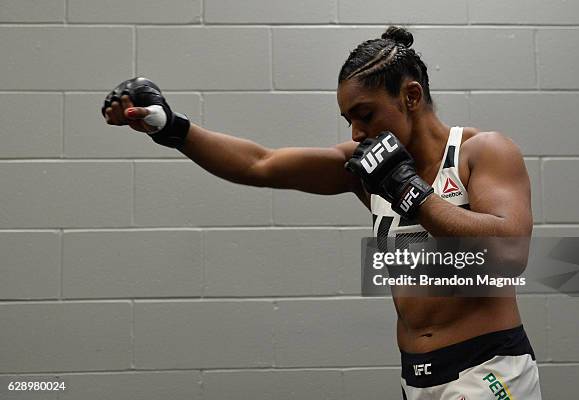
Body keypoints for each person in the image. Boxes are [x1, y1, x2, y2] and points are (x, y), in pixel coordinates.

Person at [103, 26, 541, 400]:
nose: (356, 131)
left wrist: (413, 192)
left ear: (411, 96)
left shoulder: (481, 152)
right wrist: (173, 128)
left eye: (365, 115)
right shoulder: (370, 167)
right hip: (417, 376)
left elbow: (511, 252)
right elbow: (261, 164)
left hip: (488, 369)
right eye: (348, 119)